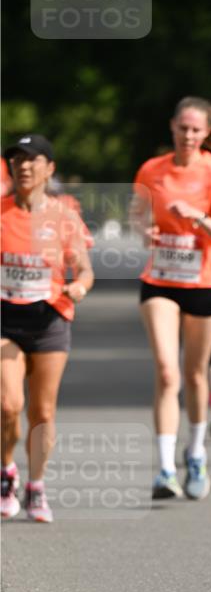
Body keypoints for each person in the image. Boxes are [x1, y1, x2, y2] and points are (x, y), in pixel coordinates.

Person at [132, 96, 211, 500]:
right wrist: (145, 231)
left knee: (195, 373)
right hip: (160, 278)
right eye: (183, 129)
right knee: (166, 370)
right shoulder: (152, 169)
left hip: (205, 282)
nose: (189, 136)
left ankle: (194, 453)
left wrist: (196, 216)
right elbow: (137, 214)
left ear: (206, 133)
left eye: (196, 130)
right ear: (172, 128)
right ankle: (163, 469)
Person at [1, 134, 94, 523]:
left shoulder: (63, 216)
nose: (23, 166)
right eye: (16, 160)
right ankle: (7, 471)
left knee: (42, 411)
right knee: (9, 405)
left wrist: (79, 286)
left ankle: (35, 485)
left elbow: (85, 267)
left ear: (49, 168)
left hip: (50, 319)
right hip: (6, 317)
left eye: (32, 159)